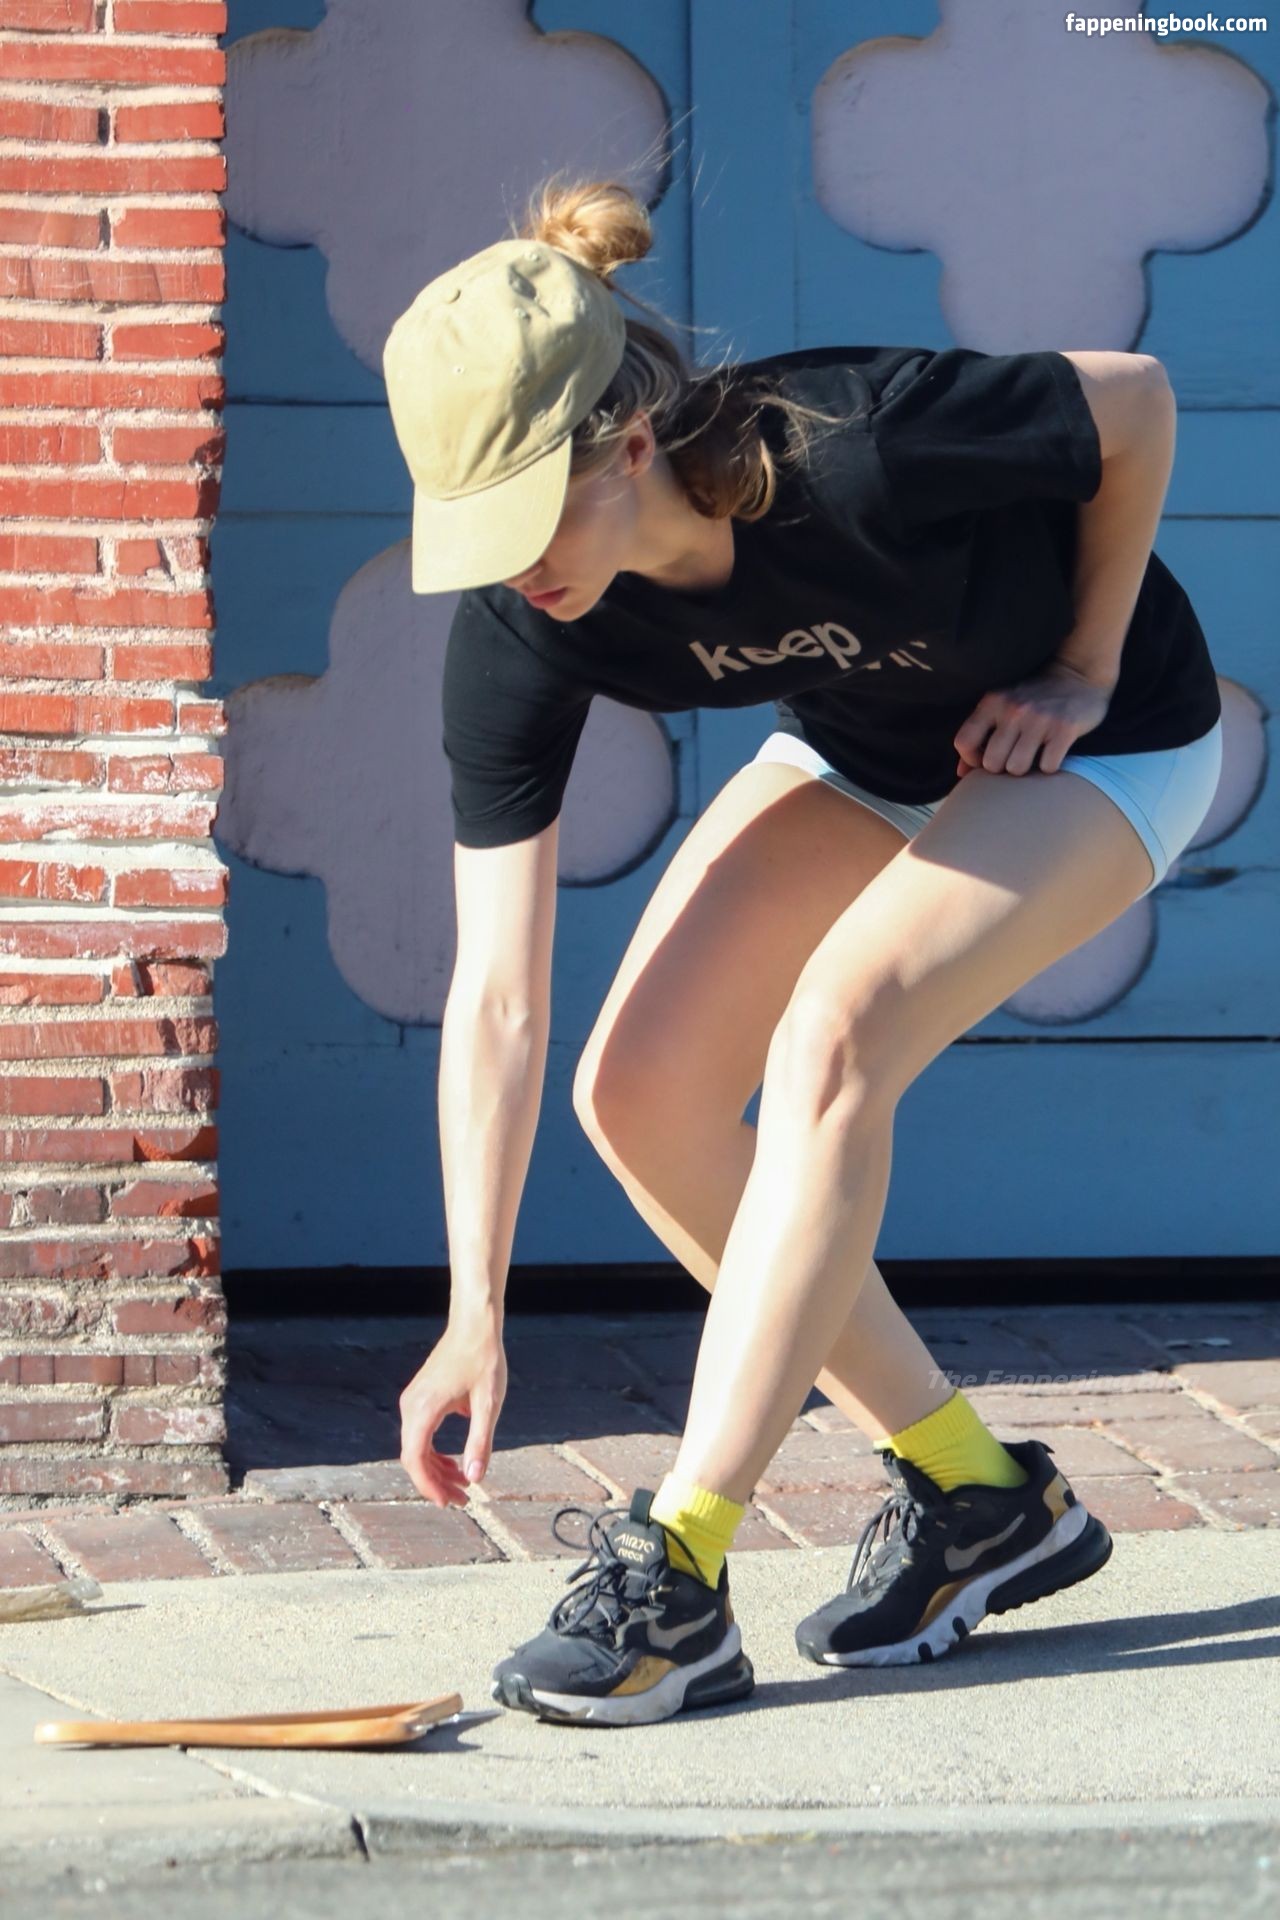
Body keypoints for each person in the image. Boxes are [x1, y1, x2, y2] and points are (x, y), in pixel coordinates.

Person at [381, 175, 1224, 1727]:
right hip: (873, 752)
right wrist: (471, 1310)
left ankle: (681, 1572)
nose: (513, 567)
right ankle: (981, 1498)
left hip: (1105, 742)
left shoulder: (851, 446)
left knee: (835, 1033)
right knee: (638, 1094)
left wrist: (1086, 663)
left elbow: (1137, 402)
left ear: (629, 445)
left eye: (528, 513)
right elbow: (496, 996)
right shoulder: (525, 625)